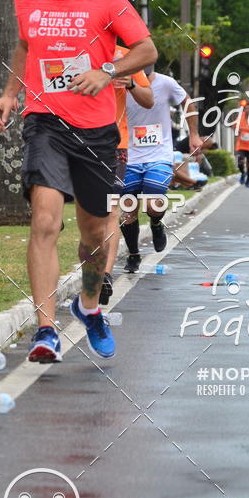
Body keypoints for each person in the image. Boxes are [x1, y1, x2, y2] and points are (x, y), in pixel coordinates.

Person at [0, 0, 157, 363]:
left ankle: (87, 306)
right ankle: (45, 330)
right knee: (44, 221)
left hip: (98, 134)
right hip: (45, 124)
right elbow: (25, 48)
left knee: (96, 236)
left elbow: (146, 50)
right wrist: (10, 93)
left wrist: (108, 71)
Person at [120, 70, 202, 274]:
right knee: (127, 209)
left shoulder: (166, 83)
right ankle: (133, 254)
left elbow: (187, 103)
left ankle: (156, 222)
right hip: (127, 155)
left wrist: (194, 134)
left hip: (159, 154)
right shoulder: (118, 82)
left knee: (154, 203)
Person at [99, 46, 154, 306]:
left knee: (110, 211)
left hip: (113, 143)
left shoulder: (126, 56)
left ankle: (105, 276)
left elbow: (148, 99)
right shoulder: (75, 45)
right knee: (88, 215)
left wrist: (131, 82)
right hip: (72, 142)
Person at [235, 103, 249, 188]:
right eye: (247, 109)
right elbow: (235, 129)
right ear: (244, 110)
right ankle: (243, 173)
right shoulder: (239, 118)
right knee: (240, 162)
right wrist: (238, 129)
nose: (248, 111)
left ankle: (248, 180)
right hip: (240, 145)